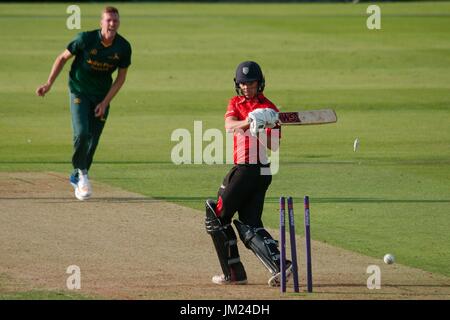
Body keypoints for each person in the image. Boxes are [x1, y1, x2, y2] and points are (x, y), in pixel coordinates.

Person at [205, 61, 292, 286]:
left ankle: (232, 274)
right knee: (249, 223)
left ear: (259, 83)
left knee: (216, 217)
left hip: (251, 169)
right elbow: (229, 126)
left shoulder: (271, 109)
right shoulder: (236, 102)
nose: (246, 87)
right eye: (243, 84)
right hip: (255, 171)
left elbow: (274, 146)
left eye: (250, 83)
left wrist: (266, 127)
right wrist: (250, 122)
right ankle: (281, 265)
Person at [36, 6, 131, 201]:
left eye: (115, 20)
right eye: (108, 20)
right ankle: (81, 174)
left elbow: (121, 78)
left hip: (102, 96)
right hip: (79, 90)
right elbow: (62, 58)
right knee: (82, 133)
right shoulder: (85, 39)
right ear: (101, 22)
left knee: (92, 140)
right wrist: (48, 84)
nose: (112, 24)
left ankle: (79, 173)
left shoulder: (123, 47)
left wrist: (105, 102)